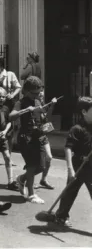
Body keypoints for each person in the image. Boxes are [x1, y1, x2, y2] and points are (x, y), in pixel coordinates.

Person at [9, 76, 51, 204]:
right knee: (32, 166)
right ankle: (31, 194)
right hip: (26, 139)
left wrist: (46, 127)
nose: (37, 95)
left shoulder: (38, 102)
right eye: (34, 93)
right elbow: (11, 116)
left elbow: (43, 119)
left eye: (38, 93)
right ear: (26, 91)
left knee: (41, 166)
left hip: (37, 137)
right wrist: (26, 110)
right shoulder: (20, 103)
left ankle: (21, 179)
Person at [54, 96, 92, 227]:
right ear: (84, 112)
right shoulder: (77, 129)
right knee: (70, 192)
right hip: (79, 166)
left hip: (91, 166)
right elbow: (68, 148)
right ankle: (61, 216)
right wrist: (70, 169)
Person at [36, 87, 57, 189]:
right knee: (35, 163)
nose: (41, 96)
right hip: (34, 137)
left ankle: (43, 180)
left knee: (49, 157)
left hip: (43, 136)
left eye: (42, 94)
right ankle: (25, 179)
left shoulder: (43, 105)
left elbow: (47, 119)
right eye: (39, 94)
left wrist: (52, 106)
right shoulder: (33, 105)